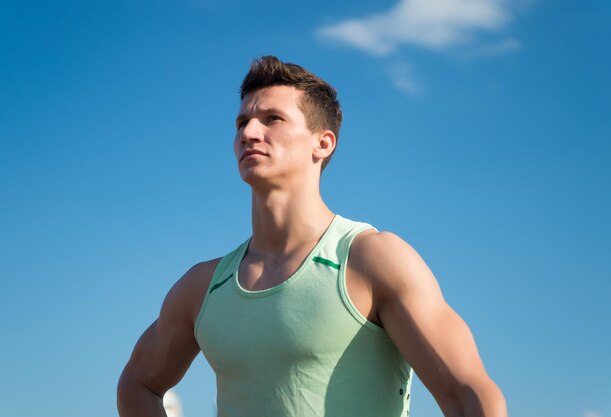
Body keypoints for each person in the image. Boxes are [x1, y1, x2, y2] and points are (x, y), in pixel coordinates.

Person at [117, 56, 507, 417]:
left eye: (272, 119)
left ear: (322, 143)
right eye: (241, 122)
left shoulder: (373, 260)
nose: (249, 132)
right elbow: (138, 384)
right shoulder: (202, 288)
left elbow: (467, 393)